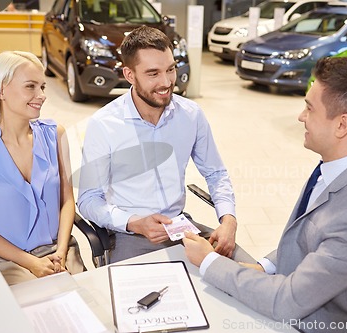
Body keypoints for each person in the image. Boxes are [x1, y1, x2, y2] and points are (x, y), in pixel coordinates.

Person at [183, 57, 347, 332]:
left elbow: (286, 302)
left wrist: (209, 261)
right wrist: (264, 267)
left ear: (342, 125)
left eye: (309, 108)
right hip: (303, 298)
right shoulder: (338, 166)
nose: (301, 117)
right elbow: (308, 240)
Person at [78, 26, 252, 263]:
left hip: (179, 227)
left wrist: (228, 219)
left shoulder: (191, 114)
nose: (166, 81)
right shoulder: (104, 124)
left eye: (170, 69)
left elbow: (216, 173)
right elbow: (89, 200)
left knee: (249, 271)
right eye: (153, 73)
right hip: (131, 234)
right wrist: (135, 223)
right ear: (130, 75)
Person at [0, 51, 84, 285]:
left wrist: (62, 250)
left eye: (43, 87)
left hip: (59, 252)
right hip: (8, 259)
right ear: (1, 90)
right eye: (31, 86)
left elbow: (67, 201)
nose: (42, 95)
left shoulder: (56, 135)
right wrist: (31, 263)